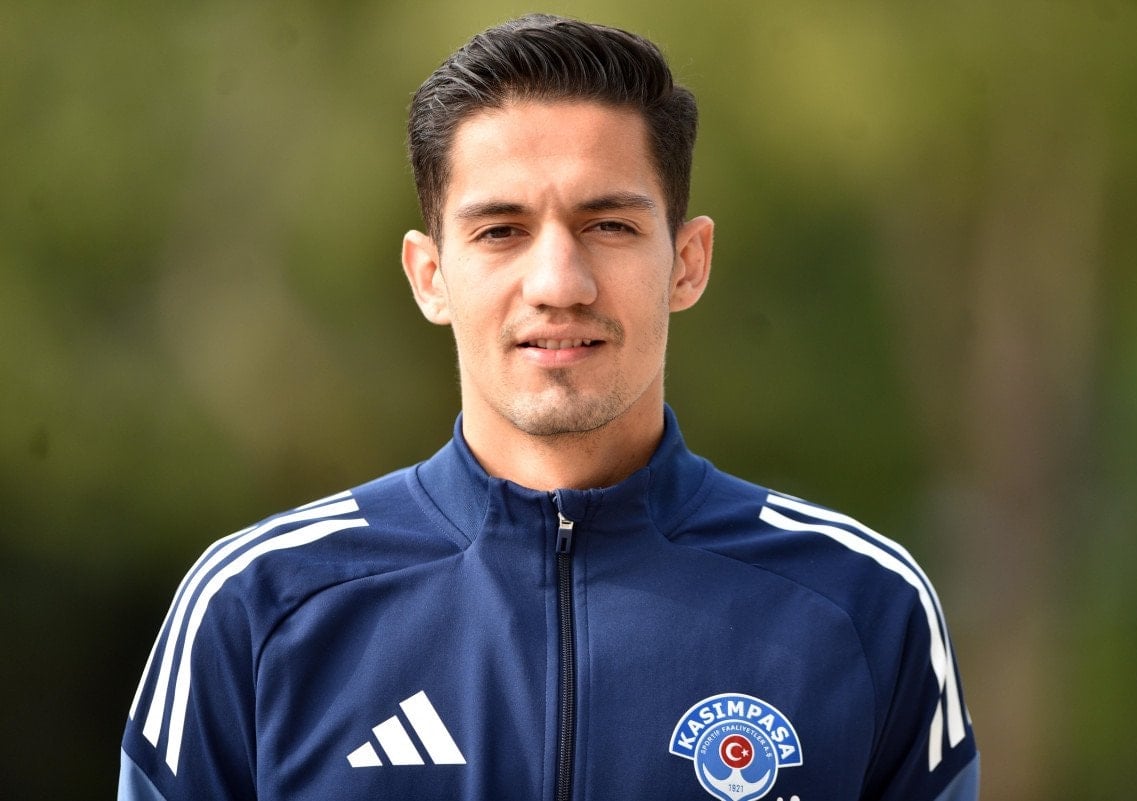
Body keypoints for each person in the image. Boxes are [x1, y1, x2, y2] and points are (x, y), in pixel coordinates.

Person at [119, 14, 979, 801]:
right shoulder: (260, 607)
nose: (559, 283)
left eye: (609, 226)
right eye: (501, 231)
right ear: (430, 276)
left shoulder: (861, 606)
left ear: (687, 262)